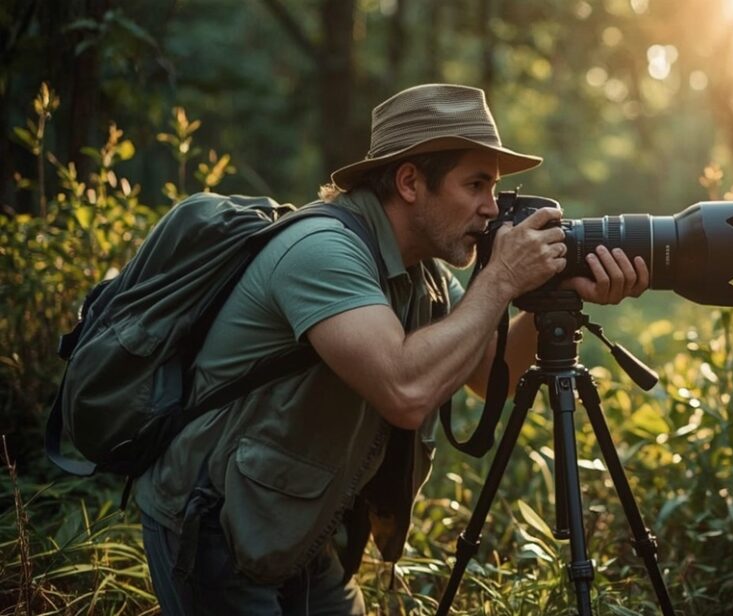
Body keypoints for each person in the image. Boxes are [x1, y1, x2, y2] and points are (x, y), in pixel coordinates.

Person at [136, 83, 649, 614]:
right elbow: (405, 390)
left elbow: (479, 370)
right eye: (475, 184)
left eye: (493, 188)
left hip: (297, 521)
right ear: (409, 181)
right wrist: (498, 282)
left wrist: (549, 301)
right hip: (213, 525)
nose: (491, 208)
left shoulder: (420, 266)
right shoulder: (321, 252)